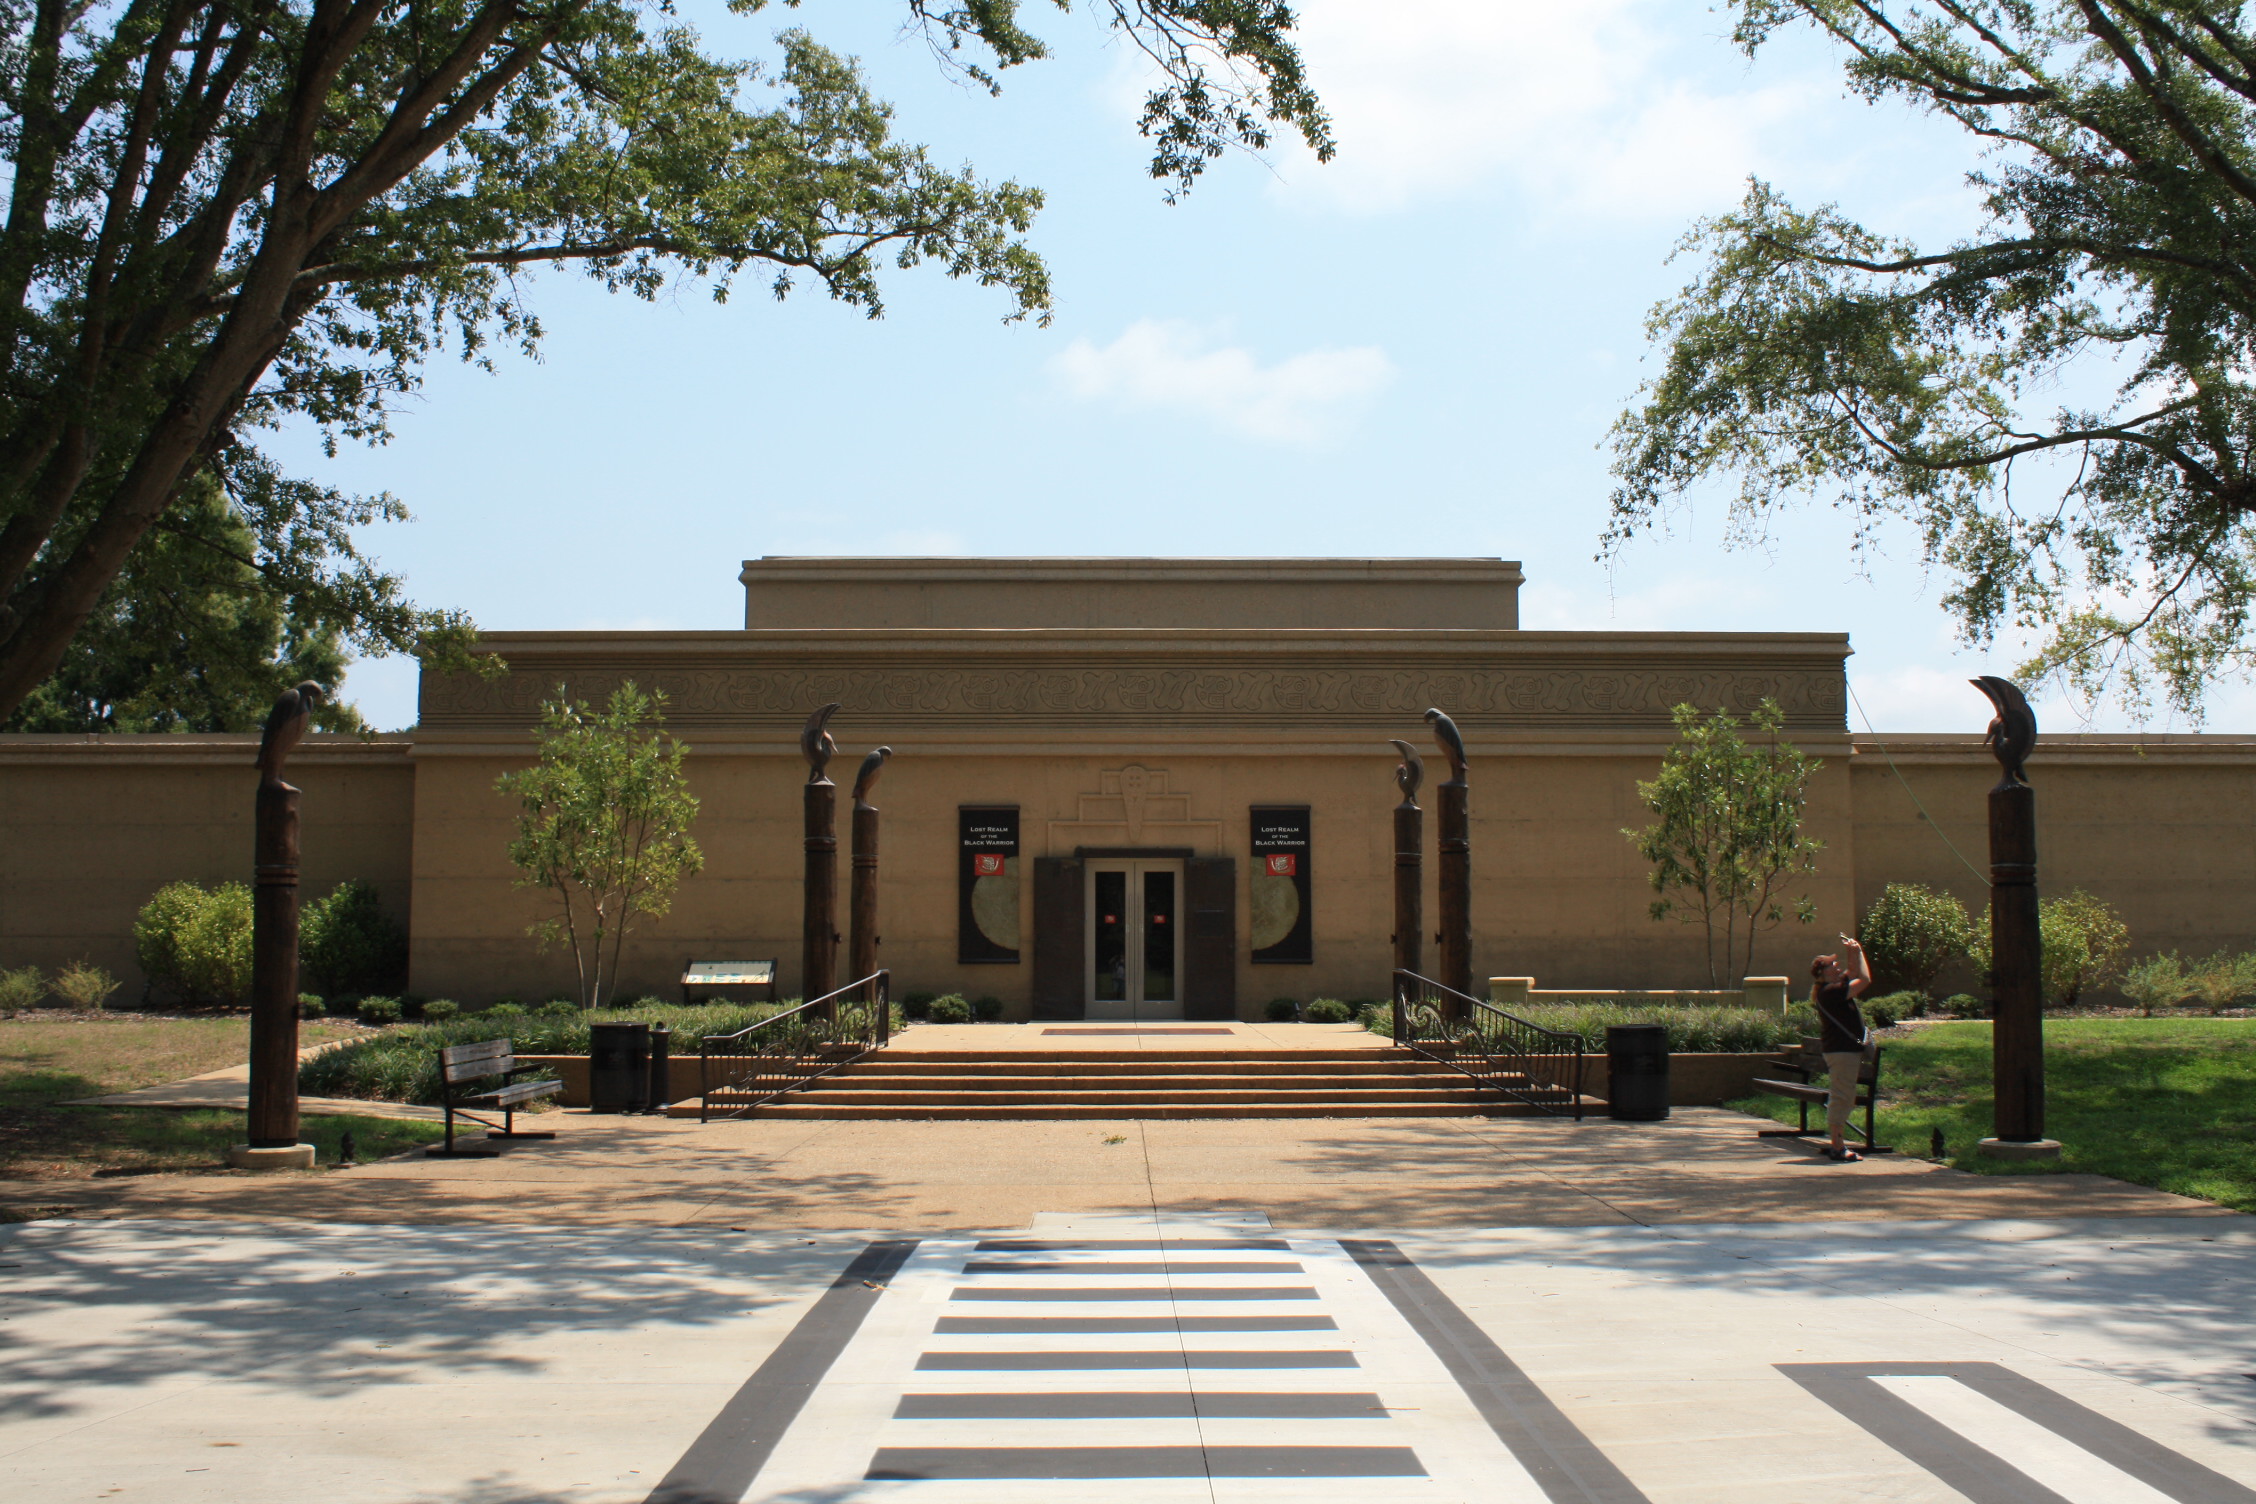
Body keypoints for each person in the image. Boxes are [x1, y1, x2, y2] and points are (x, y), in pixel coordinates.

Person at [1810, 937, 1872, 1162]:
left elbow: (1858, 975)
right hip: (1842, 1052)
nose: (1837, 966)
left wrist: (1855, 951)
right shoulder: (1831, 991)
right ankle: (1837, 1146)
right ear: (1822, 972)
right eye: (1831, 964)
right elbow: (1861, 976)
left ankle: (1838, 1142)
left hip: (1842, 1051)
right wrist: (1858, 951)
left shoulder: (1832, 989)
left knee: (1843, 1095)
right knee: (1841, 1096)